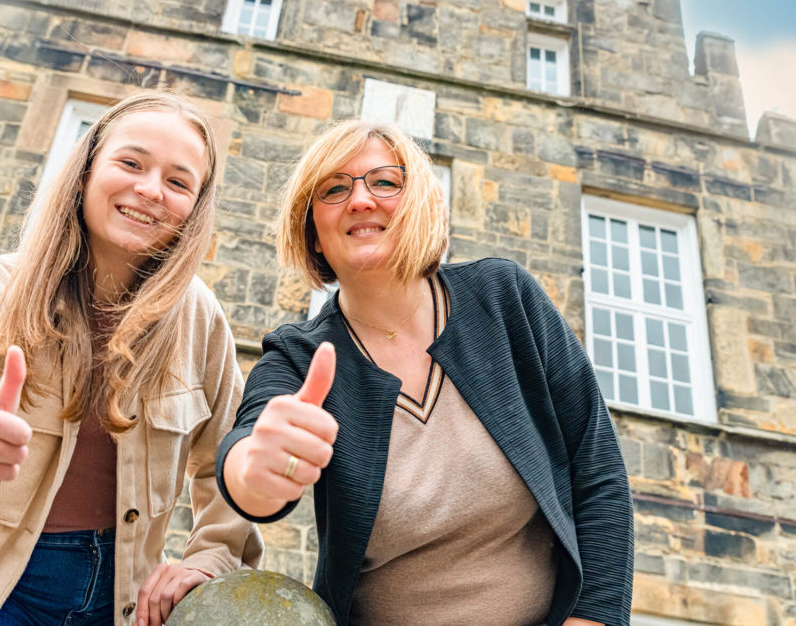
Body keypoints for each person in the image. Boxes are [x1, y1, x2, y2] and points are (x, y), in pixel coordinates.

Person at [0, 91, 262, 626]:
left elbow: (228, 458)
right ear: (86, 171)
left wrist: (210, 557)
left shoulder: (200, 318)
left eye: (179, 182)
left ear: (196, 207)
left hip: (126, 603)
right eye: (131, 163)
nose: (151, 190)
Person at [215, 119, 634, 625]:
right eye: (334, 189)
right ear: (314, 236)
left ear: (418, 205)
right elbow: (248, 452)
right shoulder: (298, 355)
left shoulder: (505, 299)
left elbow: (598, 468)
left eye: (385, 181)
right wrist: (256, 470)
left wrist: (593, 618)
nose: (361, 200)